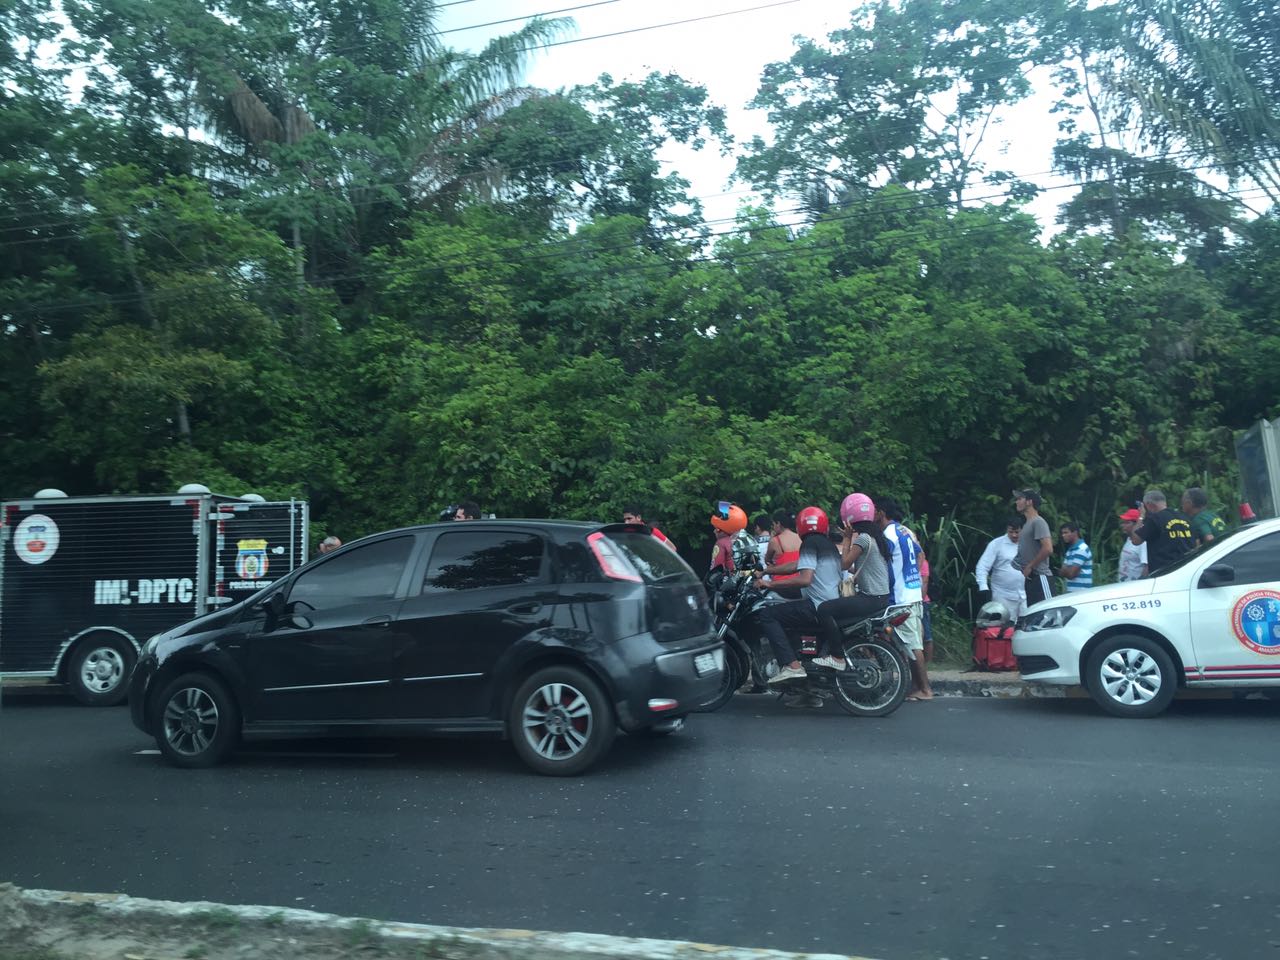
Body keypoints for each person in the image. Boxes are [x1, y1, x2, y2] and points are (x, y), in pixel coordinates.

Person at [753, 506, 843, 692]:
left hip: (817, 605)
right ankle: (807, 692)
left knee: (768, 615)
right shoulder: (827, 545)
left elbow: (804, 578)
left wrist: (769, 584)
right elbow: (797, 565)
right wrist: (768, 570)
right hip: (830, 603)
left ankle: (792, 666)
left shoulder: (810, 544)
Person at [811, 493, 892, 671]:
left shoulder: (863, 538)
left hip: (870, 597)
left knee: (824, 609)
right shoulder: (877, 537)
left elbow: (844, 564)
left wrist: (847, 538)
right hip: (880, 597)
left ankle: (837, 656)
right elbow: (862, 567)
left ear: (849, 520)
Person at [875, 497, 932, 700]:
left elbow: (882, 563)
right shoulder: (904, 531)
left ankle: (924, 689)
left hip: (901, 597)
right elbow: (921, 554)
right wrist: (913, 576)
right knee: (908, 642)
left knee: (912, 644)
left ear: (881, 513)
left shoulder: (887, 534)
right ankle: (916, 687)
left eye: (874, 511)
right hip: (912, 593)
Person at [1129, 489, 1193, 574]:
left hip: (1164, 573)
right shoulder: (1185, 518)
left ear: (1149, 505)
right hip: (1187, 570)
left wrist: (1141, 516)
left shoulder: (1155, 519)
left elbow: (1135, 540)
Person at [974, 518, 1026, 617]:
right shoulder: (996, 544)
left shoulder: (1027, 544)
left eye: (1017, 532)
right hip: (1002, 595)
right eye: (1011, 532)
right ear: (1007, 530)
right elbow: (982, 566)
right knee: (1004, 628)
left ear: (1022, 530)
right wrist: (983, 587)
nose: (1014, 535)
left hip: (1024, 595)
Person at [1013, 489, 1055, 607]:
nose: (1016, 502)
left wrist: (1030, 566)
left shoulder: (1038, 522)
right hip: (1031, 580)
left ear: (1029, 502)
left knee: (1048, 614)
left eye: (1020, 499)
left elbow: (1048, 548)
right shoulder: (1027, 524)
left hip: (1041, 578)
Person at [709, 502, 756, 574]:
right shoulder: (749, 540)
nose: (714, 531)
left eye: (717, 529)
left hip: (731, 582)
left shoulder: (721, 543)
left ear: (725, 529)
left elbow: (716, 568)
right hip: (749, 581)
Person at [1057, 522, 1094, 592]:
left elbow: (1071, 574)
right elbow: (1061, 573)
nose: (1063, 535)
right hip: (1072, 593)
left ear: (1075, 533)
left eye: (1066, 533)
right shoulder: (1070, 551)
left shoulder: (1082, 549)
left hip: (1082, 593)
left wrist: (1067, 570)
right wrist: (1068, 571)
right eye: (1062, 533)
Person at [1117, 509, 1148, 581]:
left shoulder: (1143, 543)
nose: (1123, 525)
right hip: (1123, 585)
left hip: (1134, 588)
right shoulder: (1129, 539)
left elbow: (1147, 567)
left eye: (1127, 523)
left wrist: (1140, 583)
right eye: (1123, 523)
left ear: (1137, 524)